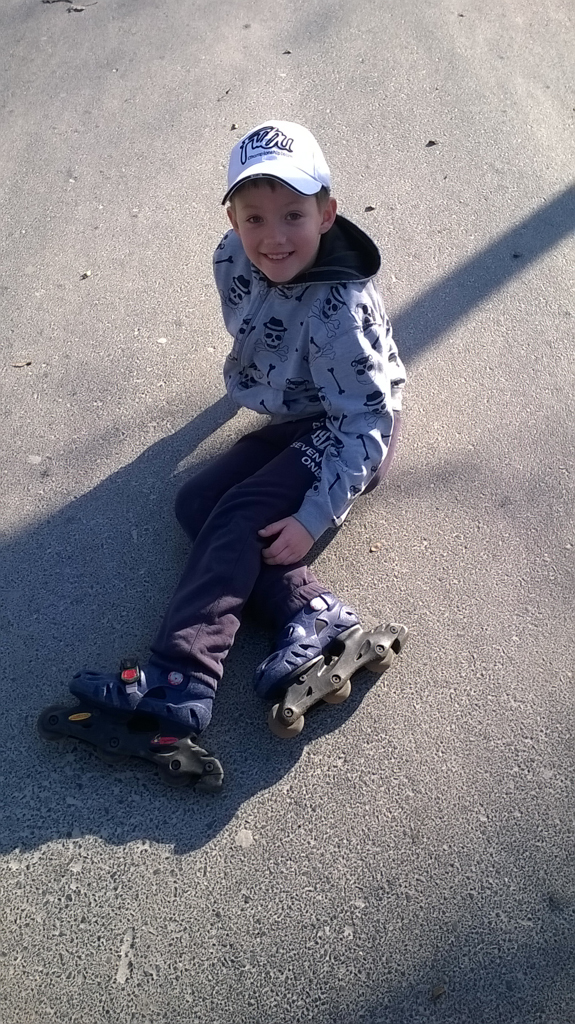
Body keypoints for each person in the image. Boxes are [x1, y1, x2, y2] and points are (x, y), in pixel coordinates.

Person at [71, 120, 406, 738]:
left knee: (239, 512)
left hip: (351, 429)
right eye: (255, 218)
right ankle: (313, 614)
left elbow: (367, 418)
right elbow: (256, 328)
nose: (273, 237)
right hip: (298, 416)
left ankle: (180, 678)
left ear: (327, 214)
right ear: (233, 221)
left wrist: (314, 516)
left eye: (293, 215)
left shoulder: (342, 309)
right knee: (196, 502)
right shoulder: (232, 257)